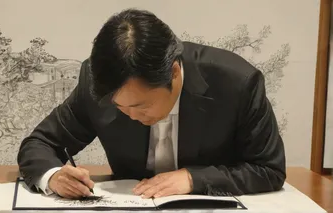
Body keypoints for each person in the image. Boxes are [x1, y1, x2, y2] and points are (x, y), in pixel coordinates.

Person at [17, 8, 286, 199]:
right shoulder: (96, 84)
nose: (131, 115)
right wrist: (53, 175)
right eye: (121, 107)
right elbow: (40, 143)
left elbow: (268, 169)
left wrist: (194, 179)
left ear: (175, 73)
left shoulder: (237, 83)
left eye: (141, 106)